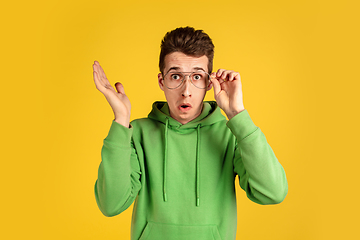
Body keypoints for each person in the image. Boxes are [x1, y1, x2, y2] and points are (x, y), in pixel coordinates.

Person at [93, 26, 288, 240]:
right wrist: (121, 120)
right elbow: (111, 204)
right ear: (162, 81)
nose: (186, 91)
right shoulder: (136, 134)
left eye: (197, 76)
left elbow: (273, 192)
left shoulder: (231, 134)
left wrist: (237, 114)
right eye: (176, 76)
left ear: (208, 83)